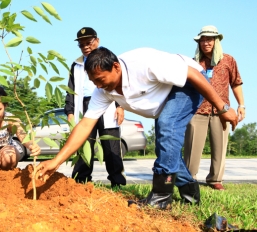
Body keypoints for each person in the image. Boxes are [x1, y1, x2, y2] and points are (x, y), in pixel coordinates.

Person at [35, 47, 238, 210]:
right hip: (164, 94)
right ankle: (190, 192)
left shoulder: (144, 64)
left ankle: (160, 197)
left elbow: (193, 74)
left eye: (100, 79)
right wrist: (55, 161)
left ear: (115, 67)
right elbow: (85, 125)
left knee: (167, 128)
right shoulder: (102, 90)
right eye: (93, 81)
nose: (97, 86)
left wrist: (222, 108)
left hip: (189, 83)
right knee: (166, 148)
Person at [184, 25, 245, 191]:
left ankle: (215, 179)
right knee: (192, 147)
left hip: (222, 111)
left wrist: (241, 105)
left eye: (209, 39)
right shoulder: (194, 63)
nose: (205, 43)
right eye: (202, 40)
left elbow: (236, 83)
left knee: (220, 147)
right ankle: (189, 178)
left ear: (216, 41)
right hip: (197, 110)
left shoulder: (228, 60)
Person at [64, 27, 125, 187]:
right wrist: (70, 111)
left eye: (88, 43)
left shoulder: (109, 59)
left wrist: (120, 105)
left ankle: (117, 182)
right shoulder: (76, 64)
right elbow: (70, 89)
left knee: (111, 145)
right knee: (84, 143)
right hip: (84, 105)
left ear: (97, 41)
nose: (85, 46)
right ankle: (80, 182)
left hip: (108, 104)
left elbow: (119, 82)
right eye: (81, 44)